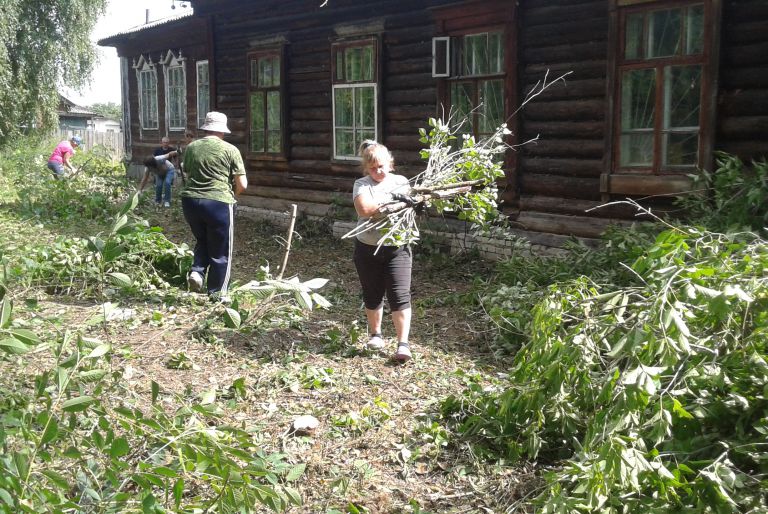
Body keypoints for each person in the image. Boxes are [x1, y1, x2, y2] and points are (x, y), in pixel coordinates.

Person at [352, 140, 414, 362]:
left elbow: (414, 205)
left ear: (390, 164)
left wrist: (405, 202)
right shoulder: (361, 185)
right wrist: (394, 204)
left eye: (382, 166)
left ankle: (403, 344)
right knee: (373, 292)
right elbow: (365, 209)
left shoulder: (402, 182)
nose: (378, 171)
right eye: (373, 168)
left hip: (397, 247)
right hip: (368, 248)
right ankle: (376, 335)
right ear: (366, 168)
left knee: (399, 294)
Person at [181, 111, 247, 301]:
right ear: (223, 131)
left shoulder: (192, 147)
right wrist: (232, 197)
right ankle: (218, 293)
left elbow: (187, 172)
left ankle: (197, 272)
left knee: (202, 239)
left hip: (190, 202)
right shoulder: (230, 150)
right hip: (218, 203)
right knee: (221, 250)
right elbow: (242, 184)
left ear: (206, 128)